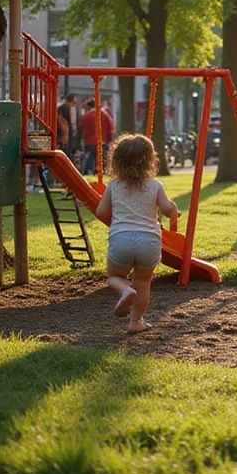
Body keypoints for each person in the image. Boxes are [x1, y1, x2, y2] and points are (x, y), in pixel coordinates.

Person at [94, 134, 179, 334]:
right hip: (149, 241)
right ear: (150, 160)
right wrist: (174, 214)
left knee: (115, 276)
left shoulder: (114, 186)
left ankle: (125, 290)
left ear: (116, 161)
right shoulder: (155, 185)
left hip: (121, 239)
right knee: (143, 282)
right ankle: (136, 321)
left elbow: (101, 212)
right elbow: (168, 209)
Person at [79, 98, 114, 174]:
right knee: (101, 159)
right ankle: (99, 172)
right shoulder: (104, 114)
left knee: (90, 157)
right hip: (102, 140)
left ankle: (87, 171)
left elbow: (81, 128)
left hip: (88, 141)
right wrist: (109, 139)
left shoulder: (86, 116)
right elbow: (110, 128)